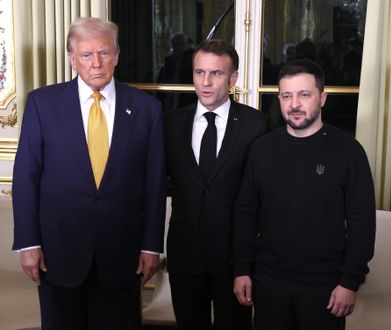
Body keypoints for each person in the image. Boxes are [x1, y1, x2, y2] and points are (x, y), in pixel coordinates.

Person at [12, 17, 166, 330]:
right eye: (86, 55)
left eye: (104, 53)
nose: (96, 63)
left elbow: (154, 183)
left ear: (117, 55)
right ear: (72, 59)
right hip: (58, 253)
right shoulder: (42, 104)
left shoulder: (146, 109)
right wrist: (28, 244)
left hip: (122, 255)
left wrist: (151, 246)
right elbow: (26, 177)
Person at [233, 59, 375, 330]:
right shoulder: (262, 149)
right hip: (268, 281)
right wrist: (241, 269)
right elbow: (245, 213)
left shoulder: (349, 151)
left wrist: (349, 281)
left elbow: (363, 223)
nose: (294, 104)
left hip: (326, 286)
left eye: (304, 95)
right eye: (287, 96)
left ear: (322, 98)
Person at [165, 39, 267, 330]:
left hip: (234, 262)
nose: (206, 82)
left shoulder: (256, 125)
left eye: (216, 74)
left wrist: (245, 265)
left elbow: (261, 198)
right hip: (185, 259)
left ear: (233, 78)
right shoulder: (170, 123)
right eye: (199, 73)